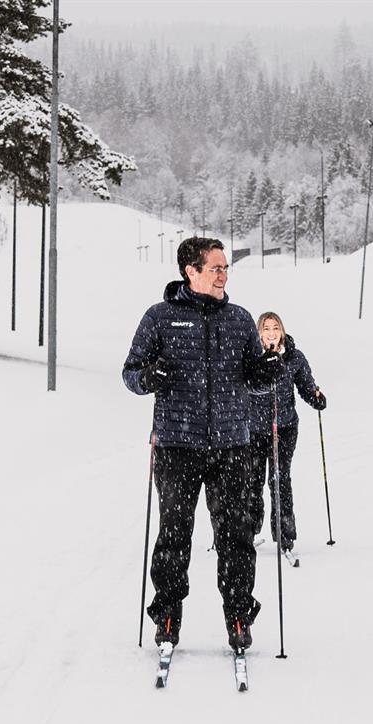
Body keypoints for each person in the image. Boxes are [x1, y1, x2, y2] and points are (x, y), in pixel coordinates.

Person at [123, 237, 284, 652]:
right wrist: (148, 379)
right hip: (177, 446)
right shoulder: (160, 318)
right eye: (215, 268)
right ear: (190, 271)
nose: (223, 274)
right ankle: (168, 614)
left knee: (235, 534)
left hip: (232, 445)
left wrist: (266, 371)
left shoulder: (239, 318)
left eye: (225, 267)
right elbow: (131, 372)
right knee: (175, 534)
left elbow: (253, 375)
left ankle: (238, 614)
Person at [247, 312, 327, 564]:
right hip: (253, 429)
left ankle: (285, 536)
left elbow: (306, 385)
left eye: (275, 328)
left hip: (285, 427)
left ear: (282, 331)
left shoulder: (293, 358)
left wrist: (315, 397)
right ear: (259, 333)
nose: (271, 333)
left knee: (280, 480)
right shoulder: (251, 357)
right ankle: (248, 531)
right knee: (252, 481)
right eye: (266, 329)